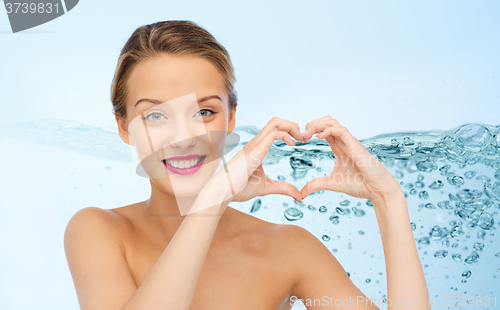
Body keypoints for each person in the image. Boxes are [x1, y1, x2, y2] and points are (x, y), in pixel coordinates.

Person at [64, 20, 430, 310]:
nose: (183, 138)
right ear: (124, 127)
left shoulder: (288, 249)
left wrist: (388, 199)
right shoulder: (99, 231)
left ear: (230, 118)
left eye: (204, 112)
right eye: (155, 115)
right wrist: (212, 200)